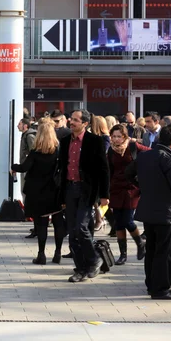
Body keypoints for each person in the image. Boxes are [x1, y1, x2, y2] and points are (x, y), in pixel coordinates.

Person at [130, 125, 171, 300]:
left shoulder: (144, 156)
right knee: (165, 251)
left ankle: (151, 284)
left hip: (148, 210)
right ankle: (160, 289)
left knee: (151, 249)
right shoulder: (169, 159)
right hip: (167, 212)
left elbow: (131, 176)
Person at [58, 109, 110, 283]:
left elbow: (103, 169)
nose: (71, 122)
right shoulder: (65, 141)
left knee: (81, 227)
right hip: (69, 189)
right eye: (71, 119)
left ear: (85, 123)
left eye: (75, 120)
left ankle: (94, 259)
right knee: (72, 232)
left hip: (87, 191)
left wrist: (104, 195)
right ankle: (81, 268)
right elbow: (62, 167)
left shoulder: (95, 141)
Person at [12, 120, 65, 265]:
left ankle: (41, 254)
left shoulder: (35, 153)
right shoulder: (58, 151)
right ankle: (58, 253)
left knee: (41, 224)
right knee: (58, 222)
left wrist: (13, 166)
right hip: (55, 191)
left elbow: (24, 167)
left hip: (37, 192)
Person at [107, 124, 149, 265]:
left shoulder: (133, 146)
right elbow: (109, 170)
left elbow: (150, 153)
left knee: (128, 221)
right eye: (114, 136)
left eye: (119, 136)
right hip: (116, 188)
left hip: (131, 188)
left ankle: (140, 243)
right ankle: (123, 254)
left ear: (125, 136)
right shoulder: (111, 151)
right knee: (118, 222)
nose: (116, 139)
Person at [18, 117, 37, 238]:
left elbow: (32, 153)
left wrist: (26, 165)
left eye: (19, 124)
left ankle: (34, 220)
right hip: (26, 168)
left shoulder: (29, 136)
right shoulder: (26, 135)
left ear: (25, 125)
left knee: (27, 192)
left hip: (28, 170)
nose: (17, 126)